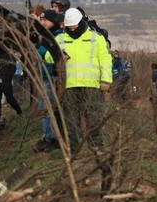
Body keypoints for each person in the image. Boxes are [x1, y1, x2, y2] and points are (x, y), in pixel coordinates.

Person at [54, 8, 112, 152]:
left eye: (74, 26)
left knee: (94, 117)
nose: (72, 29)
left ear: (81, 23)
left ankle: (96, 146)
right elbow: (49, 57)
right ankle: (73, 149)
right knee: (71, 119)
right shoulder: (59, 39)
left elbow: (105, 60)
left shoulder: (96, 38)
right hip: (69, 85)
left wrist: (106, 80)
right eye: (70, 27)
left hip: (91, 85)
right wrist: (58, 56)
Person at [34, 9, 64, 152]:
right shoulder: (46, 36)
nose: (42, 22)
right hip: (44, 76)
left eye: (45, 20)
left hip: (52, 77)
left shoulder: (57, 37)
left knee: (48, 108)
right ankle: (48, 136)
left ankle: (51, 138)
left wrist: (39, 48)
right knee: (44, 108)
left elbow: (46, 54)